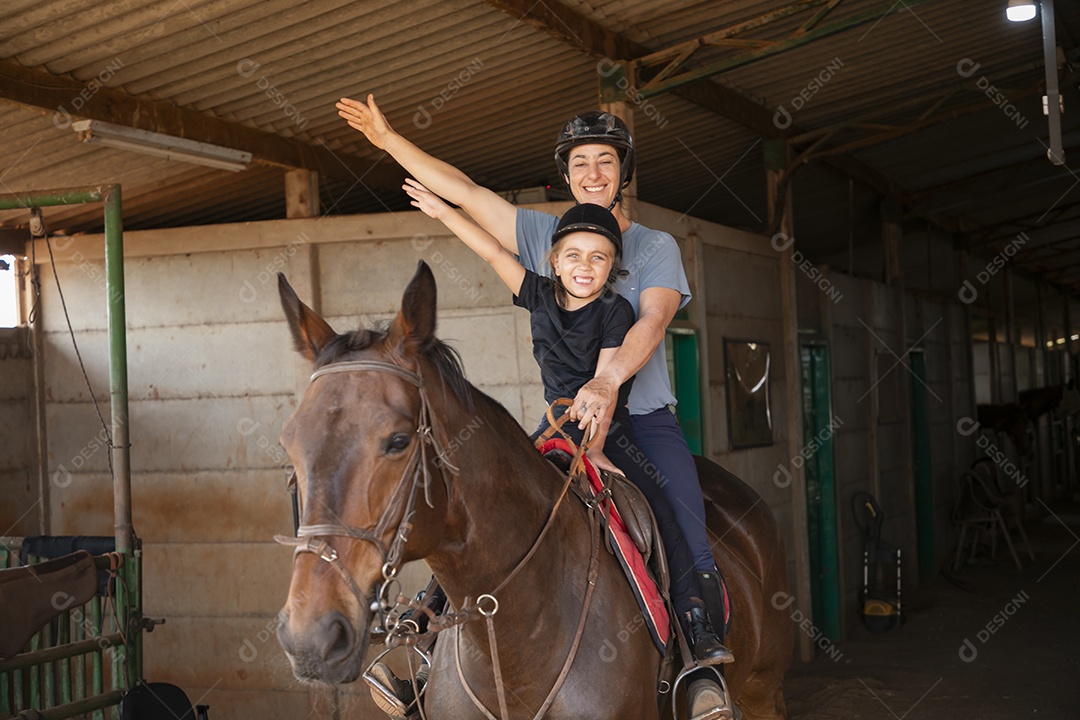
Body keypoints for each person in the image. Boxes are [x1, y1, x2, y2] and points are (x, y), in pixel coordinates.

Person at [339, 96, 734, 718]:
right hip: (563, 418)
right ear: (567, 174)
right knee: (480, 503)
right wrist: (388, 139)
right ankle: (424, 641)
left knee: (679, 517)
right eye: (582, 162)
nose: (594, 172)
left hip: (640, 418)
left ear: (622, 171)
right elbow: (468, 193)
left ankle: (698, 665)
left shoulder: (656, 247)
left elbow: (652, 323)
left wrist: (606, 383)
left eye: (607, 160)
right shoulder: (544, 237)